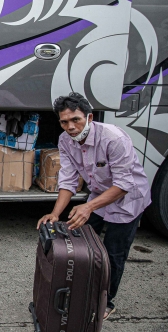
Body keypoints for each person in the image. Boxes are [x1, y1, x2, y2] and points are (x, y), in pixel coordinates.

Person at [36, 92, 151, 320]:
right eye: (64, 121)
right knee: (80, 244)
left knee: (113, 253)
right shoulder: (65, 140)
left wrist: (88, 207)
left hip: (129, 199)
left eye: (75, 119)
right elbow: (68, 180)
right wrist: (55, 213)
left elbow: (123, 184)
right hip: (99, 196)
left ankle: (106, 302)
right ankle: (80, 290)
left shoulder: (113, 138)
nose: (70, 126)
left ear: (89, 117)